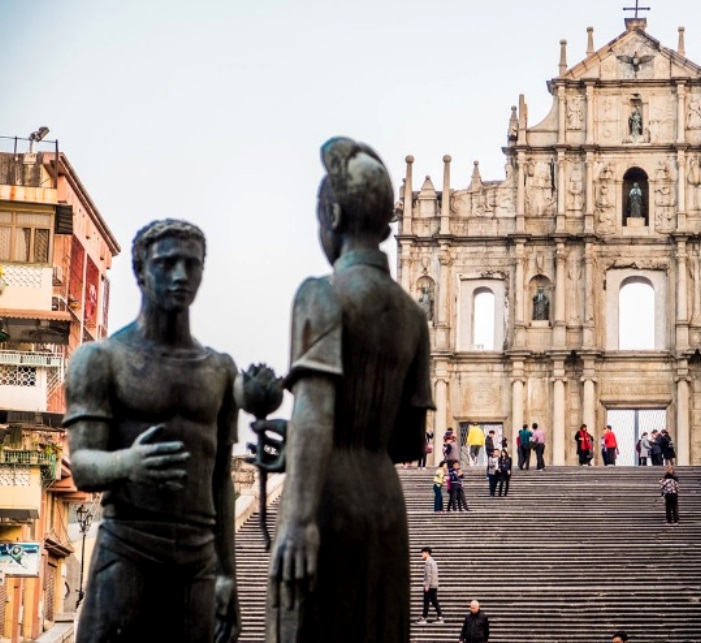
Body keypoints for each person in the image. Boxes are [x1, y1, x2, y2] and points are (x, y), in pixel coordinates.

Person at [262, 138, 433, 641]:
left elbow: (314, 410)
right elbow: (408, 442)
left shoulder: (320, 294)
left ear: (332, 215)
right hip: (384, 504)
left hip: (327, 498)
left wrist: (295, 519)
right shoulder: (412, 315)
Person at [64, 220, 240, 643]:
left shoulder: (219, 370)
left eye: (191, 264)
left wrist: (227, 574)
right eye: (167, 263)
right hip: (129, 549)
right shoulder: (101, 360)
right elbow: (83, 466)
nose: (180, 275)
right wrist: (128, 463)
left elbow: (221, 479)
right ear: (141, 270)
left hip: (197, 560)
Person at [415, 547, 444, 625]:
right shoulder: (433, 561)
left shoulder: (428, 562)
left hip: (429, 585)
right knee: (434, 601)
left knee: (426, 602)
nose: (421, 555)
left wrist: (427, 585)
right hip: (434, 585)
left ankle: (424, 618)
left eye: (422, 553)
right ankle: (440, 617)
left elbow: (429, 575)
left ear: (426, 553)